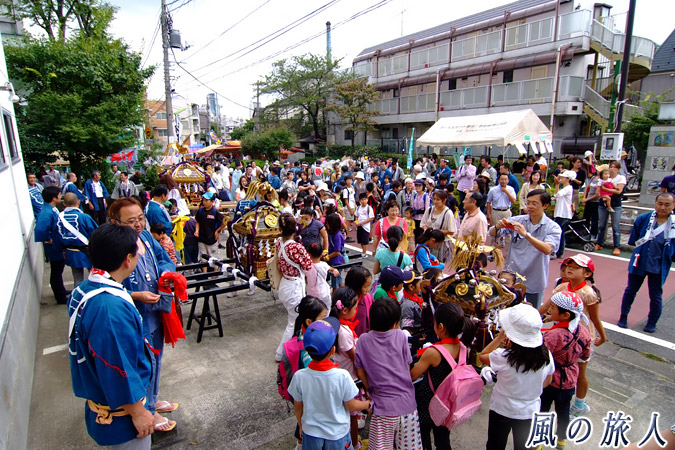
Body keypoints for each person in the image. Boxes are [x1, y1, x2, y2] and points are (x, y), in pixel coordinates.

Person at [68, 223, 154, 448]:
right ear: (128, 259)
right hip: (121, 417)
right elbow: (117, 367)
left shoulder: (85, 289)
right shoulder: (109, 310)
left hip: (104, 405)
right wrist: (138, 413)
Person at [108, 197, 178, 432]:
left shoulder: (147, 237)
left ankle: (152, 398)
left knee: (156, 359)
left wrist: (164, 276)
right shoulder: (113, 247)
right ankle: (146, 408)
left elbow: (164, 259)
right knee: (141, 363)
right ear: (115, 222)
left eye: (141, 219)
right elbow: (108, 286)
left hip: (155, 310)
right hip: (134, 315)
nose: (138, 225)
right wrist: (135, 295)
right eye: (131, 221)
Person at [539, 254, 606, 420]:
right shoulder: (562, 287)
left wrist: (602, 336)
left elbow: (594, 318)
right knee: (556, 366)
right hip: (560, 335)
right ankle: (557, 394)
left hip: (581, 338)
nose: (569, 268)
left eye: (576, 267)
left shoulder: (588, 293)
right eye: (568, 265)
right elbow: (547, 307)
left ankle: (579, 404)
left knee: (580, 372)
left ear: (587, 274)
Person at [479, 304, 554, 450]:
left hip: (502, 407)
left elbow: (482, 356)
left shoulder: (505, 356)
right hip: (529, 410)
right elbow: (547, 381)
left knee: (495, 444)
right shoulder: (546, 357)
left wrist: (500, 337)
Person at [288, 317, 371, 449]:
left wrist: (301, 423)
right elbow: (351, 404)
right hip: (337, 436)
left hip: (311, 434)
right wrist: (367, 404)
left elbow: (298, 406)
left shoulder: (299, 376)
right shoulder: (342, 376)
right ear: (332, 351)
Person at [355, 298, 424, 449]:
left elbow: (360, 370)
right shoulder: (400, 336)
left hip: (382, 409)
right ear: (395, 323)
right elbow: (406, 365)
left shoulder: (363, 340)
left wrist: (369, 388)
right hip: (407, 407)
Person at [411, 303, 474, 450]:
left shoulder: (434, 352)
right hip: (449, 404)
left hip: (428, 403)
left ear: (440, 326)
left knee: (424, 438)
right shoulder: (465, 349)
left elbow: (413, 375)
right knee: (443, 438)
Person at [489, 190, 561, 307]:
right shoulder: (517, 220)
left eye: (534, 203)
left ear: (545, 205)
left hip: (535, 276)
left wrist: (526, 235)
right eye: (528, 203)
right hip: (513, 275)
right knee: (508, 308)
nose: (530, 207)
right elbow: (493, 233)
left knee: (532, 312)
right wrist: (497, 226)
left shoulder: (553, 227)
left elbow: (548, 249)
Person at [539, 291, 591, 450]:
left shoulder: (553, 335)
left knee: (543, 411)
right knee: (563, 411)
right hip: (570, 380)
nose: (550, 310)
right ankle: (561, 440)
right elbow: (585, 355)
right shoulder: (583, 332)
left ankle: (538, 441)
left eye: (553, 308)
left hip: (550, 380)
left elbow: (541, 357)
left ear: (565, 315)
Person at [617, 192, 675, 333]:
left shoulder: (673, 224)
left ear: (673, 206)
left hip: (659, 266)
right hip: (639, 261)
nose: (663, 207)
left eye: (667, 204)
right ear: (655, 204)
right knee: (630, 290)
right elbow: (634, 240)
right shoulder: (644, 219)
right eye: (660, 203)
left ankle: (652, 322)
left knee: (655, 295)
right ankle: (623, 316)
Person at [275, 213, 314, 362]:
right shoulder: (296, 247)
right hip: (294, 287)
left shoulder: (278, 242)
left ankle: (292, 349)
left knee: (294, 319)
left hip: (285, 283)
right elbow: (308, 264)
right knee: (294, 321)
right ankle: (281, 353)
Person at [330, 287, 364, 446]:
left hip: (340, 373)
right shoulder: (344, 332)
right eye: (355, 307)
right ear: (344, 310)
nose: (357, 310)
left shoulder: (336, 324)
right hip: (349, 379)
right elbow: (355, 357)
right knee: (352, 417)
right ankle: (354, 445)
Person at [55, 192, 98, 287]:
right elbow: (96, 233)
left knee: (77, 279)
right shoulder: (84, 217)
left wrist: (62, 250)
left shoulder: (59, 218)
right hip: (87, 252)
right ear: (78, 202)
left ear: (64, 203)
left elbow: (56, 236)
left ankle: (78, 299)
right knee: (95, 277)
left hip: (70, 252)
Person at [34, 186, 68, 304]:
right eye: (59, 195)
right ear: (54, 198)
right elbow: (41, 230)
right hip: (54, 248)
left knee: (58, 271)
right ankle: (60, 297)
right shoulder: (46, 212)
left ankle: (62, 290)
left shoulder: (51, 208)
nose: (60, 196)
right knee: (56, 271)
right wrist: (49, 240)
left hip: (57, 246)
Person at [594, 161, 626, 256]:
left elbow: (618, 191)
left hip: (616, 204)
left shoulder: (621, 178)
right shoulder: (604, 177)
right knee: (601, 225)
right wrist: (602, 192)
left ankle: (616, 246)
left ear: (618, 169)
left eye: (614, 167)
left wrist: (606, 189)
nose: (612, 169)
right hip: (602, 203)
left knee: (615, 226)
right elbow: (598, 190)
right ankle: (599, 243)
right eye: (611, 167)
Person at [421, 189, 456, 264]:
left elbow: (452, 230)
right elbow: (423, 223)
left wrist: (437, 232)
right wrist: (426, 230)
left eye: (438, 200)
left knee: (438, 264)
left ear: (444, 200)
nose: (435, 202)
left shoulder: (448, 213)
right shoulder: (429, 209)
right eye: (434, 199)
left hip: (441, 243)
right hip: (429, 241)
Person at [305, 242, 339, 311]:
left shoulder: (306, 266)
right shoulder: (324, 264)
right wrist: (335, 270)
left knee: (314, 312)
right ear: (321, 254)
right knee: (326, 310)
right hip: (324, 292)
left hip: (312, 294)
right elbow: (332, 269)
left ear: (308, 254)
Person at [195, 191, 226, 262]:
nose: (204, 202)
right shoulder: (200, 211)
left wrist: (217, 231)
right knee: (203, 258)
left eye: (206, 200)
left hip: (212, 238)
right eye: (203, 200)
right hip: (201, 238)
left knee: (213, 258)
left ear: (212, 201)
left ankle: (215, 272)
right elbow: (198, 222)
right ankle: (205, 272)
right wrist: (196, 231)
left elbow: (225, 221)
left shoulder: (215, 211)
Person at [344, 266, 373, 336]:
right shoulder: (347, 302)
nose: (368, 289)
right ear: (356, 286)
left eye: (369, 286)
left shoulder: (367, 297)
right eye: (365, 287)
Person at [553, 170, 575, 259]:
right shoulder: (566, 188)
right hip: (560, 213)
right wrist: (557, 184)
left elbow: (557, 195)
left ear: (568, 179)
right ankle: (558, 251)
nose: (560, 178)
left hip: (564, 214)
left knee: (559, 233)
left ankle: (559, 251)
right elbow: (556, 194)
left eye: (563, 177)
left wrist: (557, 184)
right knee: (560, 233)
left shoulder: (568, 188)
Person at [325, 213, 346, 291]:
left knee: (335, 284)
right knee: (339, 280)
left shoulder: (337, 235)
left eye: (328, 223)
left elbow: (337, 251)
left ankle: (334, 299)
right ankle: (343, 293)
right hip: (334, 260)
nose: (326, 224)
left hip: (336, 262)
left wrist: (328, 257)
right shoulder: (333, 234)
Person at [354, 192, 374, 257]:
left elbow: (371, 218)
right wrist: (357, 222)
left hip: (366, 227)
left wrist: (363, 222)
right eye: (362, 200)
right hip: (359, 226)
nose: (363, 201)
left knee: (365, 240)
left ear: (367, 200)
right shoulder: (358, 208)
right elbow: (356, 215)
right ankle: (363, 251)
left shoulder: (369, 208)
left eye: (365, 199)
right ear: (359, 200)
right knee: (360, 240)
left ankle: (364, 253)